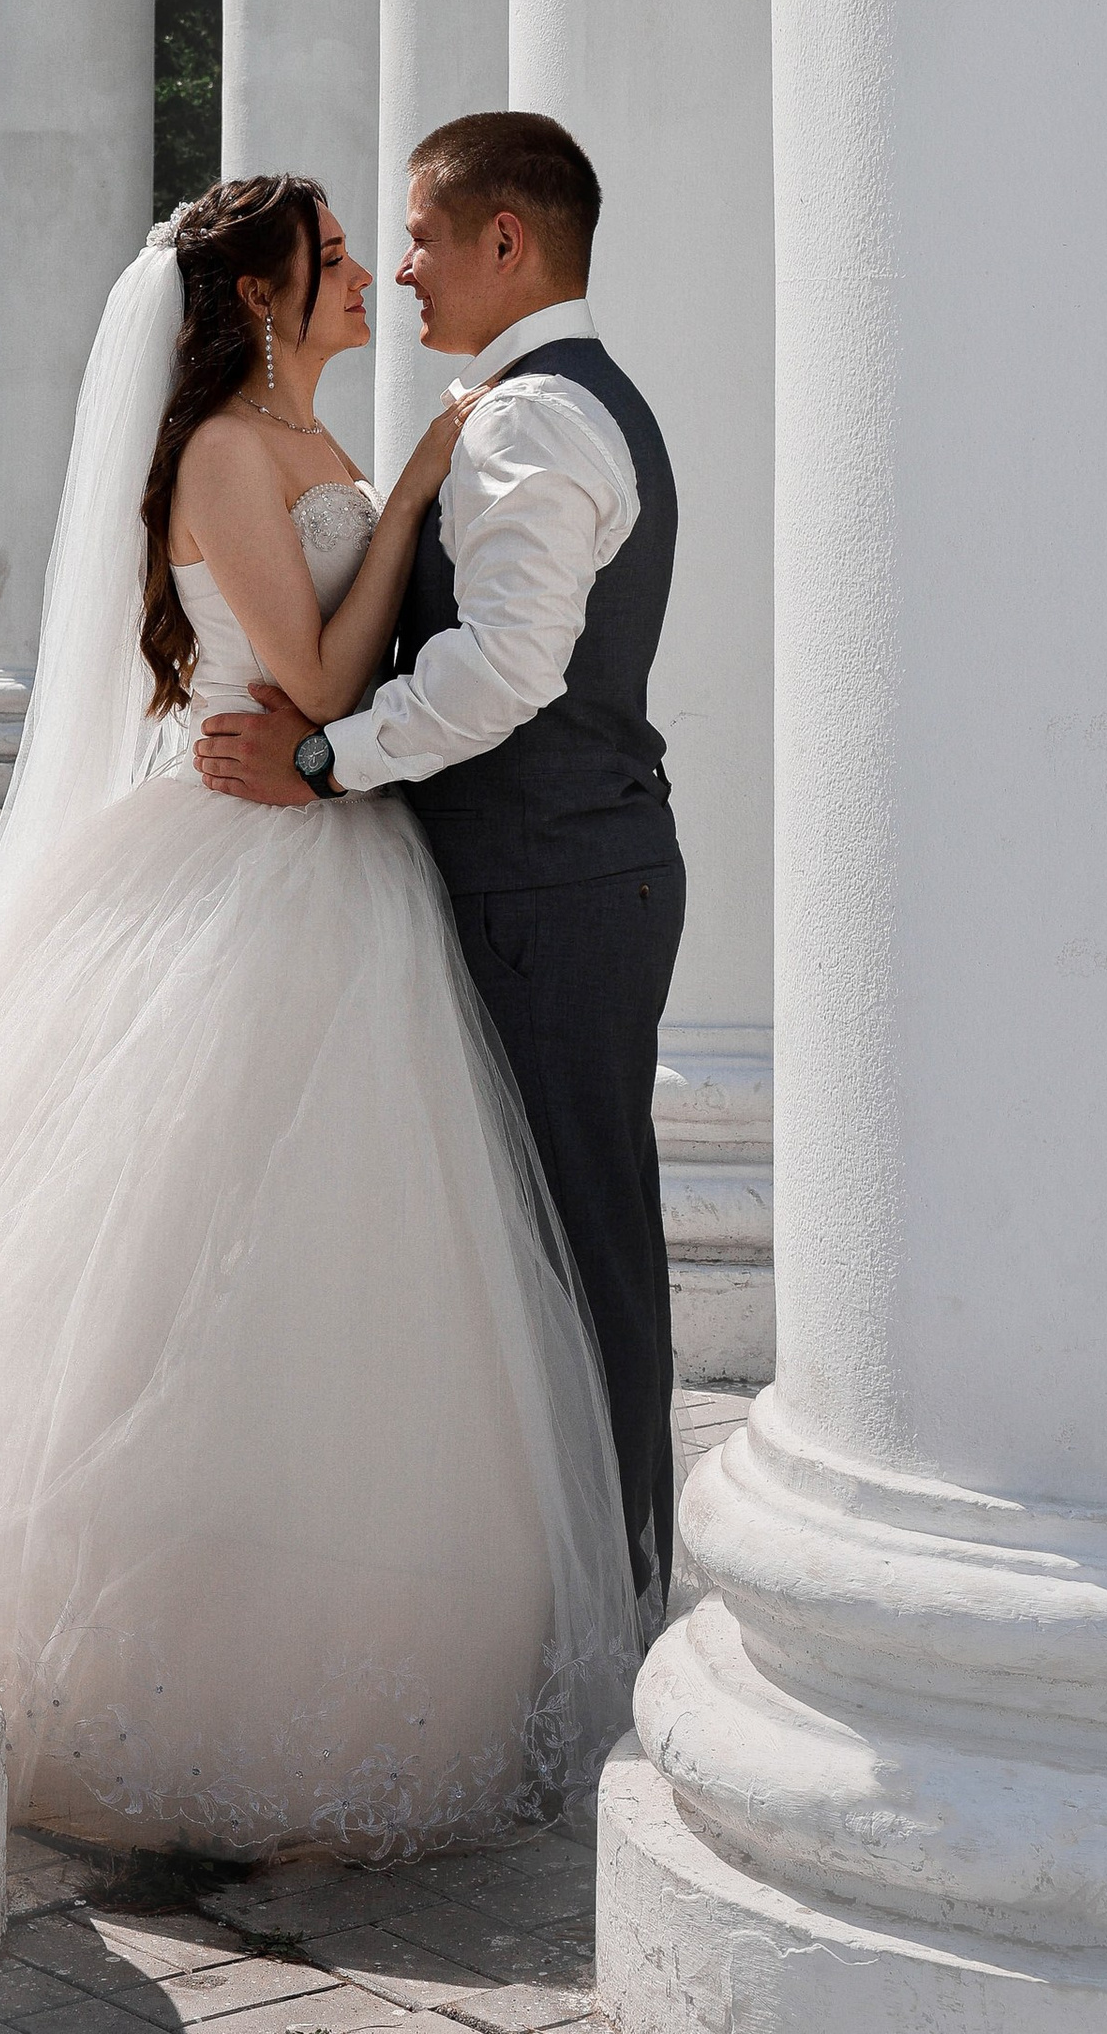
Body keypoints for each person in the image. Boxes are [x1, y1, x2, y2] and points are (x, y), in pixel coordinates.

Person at [0, 175, 637, 1861]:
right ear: (266, 296)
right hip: (240, 852)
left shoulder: (316, 442)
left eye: (372, 248)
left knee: (342, 1273)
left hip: (340, 856)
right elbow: (321, 686)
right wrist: (419, 482)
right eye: (338, 255)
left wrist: (398, 482)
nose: (370, 275)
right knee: (178, 1255)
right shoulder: (224, 451)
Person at [199, 112, 685, 1618]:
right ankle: (568, 1582)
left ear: (503, 242)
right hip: (552, 871)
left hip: (549, 883)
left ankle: (615, 1600)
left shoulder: (535, 419)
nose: (400, 270)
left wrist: (328, 763)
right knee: (536, 1249)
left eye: (416, 236)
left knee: (580, 1243)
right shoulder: (526, 404)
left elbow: (504, 674)